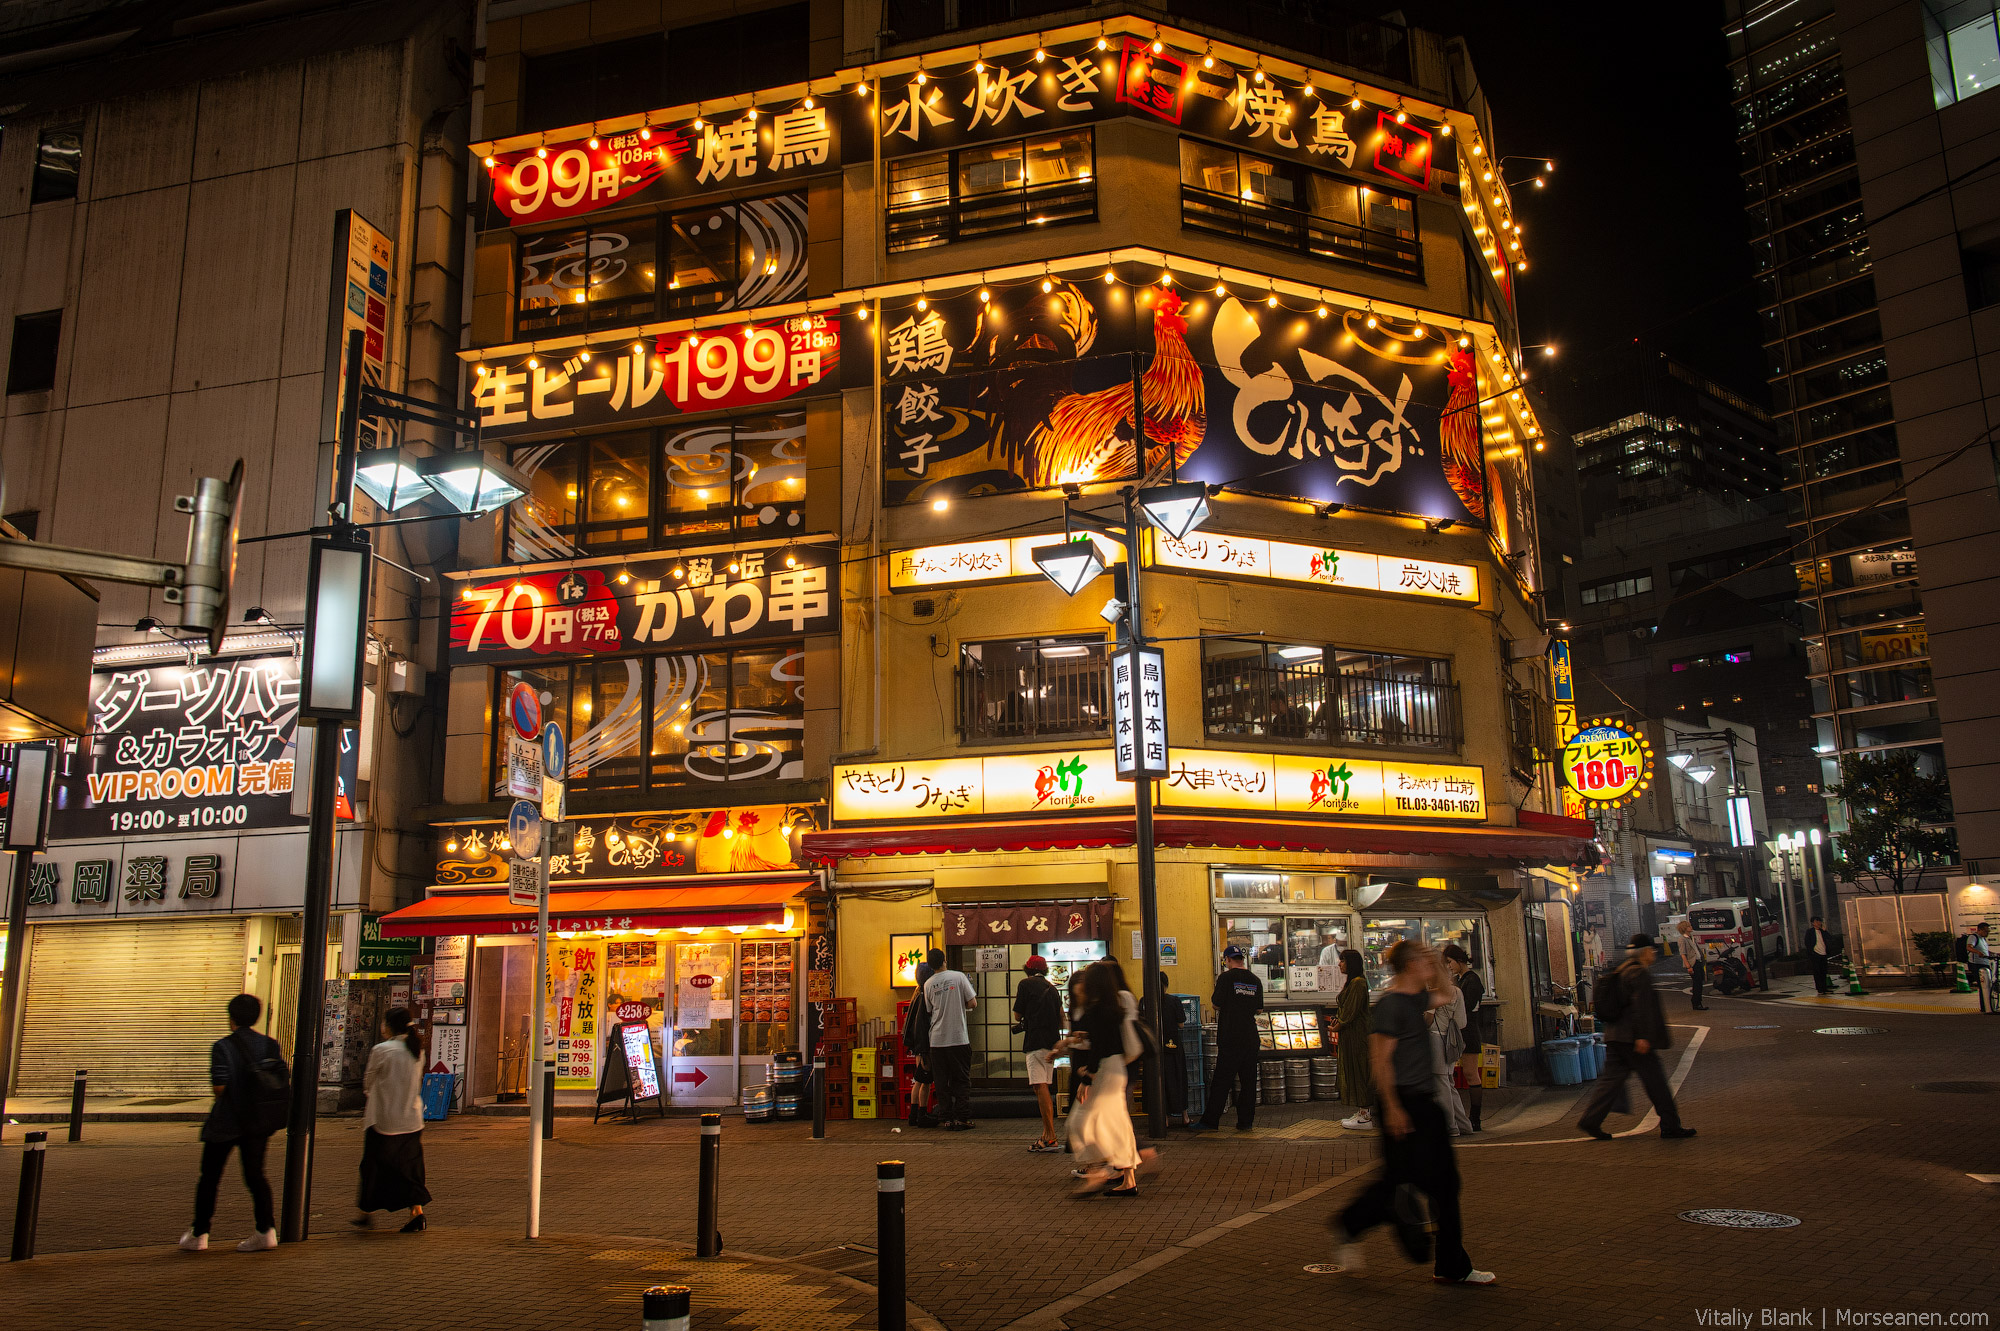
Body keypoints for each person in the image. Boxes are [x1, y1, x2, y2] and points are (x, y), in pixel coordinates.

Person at [1331, 940, 1493, 1285]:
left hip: (1424, 1101)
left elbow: (1448, 995)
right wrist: (1392, 1109)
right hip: (1402, 1103)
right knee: (1396, 1183)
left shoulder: (1415, 998)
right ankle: (1349, 1224)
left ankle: (1452, 1265)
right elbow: (1380, 1059)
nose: (1431, 965)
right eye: (1423, 960)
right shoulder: (1391, 1005)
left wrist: (1437, 966)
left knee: (1446, 1184)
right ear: (1409, 966)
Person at [180, 993, 283, 1253]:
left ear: (231, 1017)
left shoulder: (223, 1047)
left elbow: (219, 1086)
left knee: (210, 1178)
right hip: (258, 1122)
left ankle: (200, 1234)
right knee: (256, 1176)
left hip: (225, 1123)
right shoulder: (270, 1045)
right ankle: (266, 1231)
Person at [1578, 934, 1697, 1141]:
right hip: (1633, 1039)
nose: (1654, 954)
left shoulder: (1622, 970)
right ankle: (1670, 1125)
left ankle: (1591, 1120)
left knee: (1610, 1082)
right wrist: (1642, 1037)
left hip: (1614, 1036)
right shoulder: (1639, 973)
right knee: (1656, 1082)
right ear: (1646, 952)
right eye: (1652, 950)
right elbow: (1641, 1008)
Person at [1053, 960, 1145, 1196]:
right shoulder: (1115, 1005)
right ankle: (1128, 1179)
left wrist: (1087, 1077)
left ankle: (1096, 1172)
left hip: (1104, 1070)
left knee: (1079, 1121)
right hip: (1118, 1069)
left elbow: (1099, 1047)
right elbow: (1106, 1041)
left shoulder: (1096, 1009)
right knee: (1117, 1123)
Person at [354, 1008, 431, 1232]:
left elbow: (368, 1083)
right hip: (412, 1119)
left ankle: (365, 1212)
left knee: (373, 1167)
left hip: (383, 1120)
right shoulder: (416, 1050)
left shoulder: (382, 1050)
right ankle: (416, 1212)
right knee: (410, 1169)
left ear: (389, 1026)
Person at [1190, 945, 1262, 1132]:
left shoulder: (1226, 978)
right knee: (1248, 1083)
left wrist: (1231, 1005)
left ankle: (1210, 1122)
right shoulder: (1255, 980)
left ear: (1227, 960)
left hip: (1230, 1037)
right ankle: (1245, 1122)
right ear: (1242, 959)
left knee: (1222, 1082)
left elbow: (1215, 1004)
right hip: (1250, 1037)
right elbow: (1259, 1009)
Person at [1013, 955, 1065, 1151]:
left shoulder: (1025, 984)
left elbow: (1018, 1014)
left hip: (1035, 1041)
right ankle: (1047, 1134)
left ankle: (1050, 1136)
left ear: (1027, 969)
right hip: (1051, 1041)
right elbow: (1062, 1017)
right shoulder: (1052, 988)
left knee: (1040, 1087)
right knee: (1042, 1087)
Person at [922, 948, 977, 1131]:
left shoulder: (928, 984)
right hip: (958, 1037)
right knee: (961, 1080)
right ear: (944, 960)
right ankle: (962, 1118)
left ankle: (946, 1118)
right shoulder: (958, 977)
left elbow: (929, 1010)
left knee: (941, 1081)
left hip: (937, 1040)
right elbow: (972, 1003)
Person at [1441, 945, 1489, 1131]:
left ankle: (1475, 1117)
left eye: (1450, 962)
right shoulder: (1460, 980)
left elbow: (1465, 1007)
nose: (1449, 966)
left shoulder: (1472, 981)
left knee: (1470, 1073)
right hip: (1458, 1032)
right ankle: (1464, 1118)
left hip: (1468, 1032)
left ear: (1460, 961)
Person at [1427, 958, 1472, 1136]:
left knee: (1441, 1084)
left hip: (1436, 1039)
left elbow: (1428, 1020)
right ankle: (1464, 1125)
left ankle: (1450, 1126)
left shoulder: (1434, 994)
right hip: (1452, 1041)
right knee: (1449, 1082)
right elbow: (1462, 1022)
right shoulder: (1457, 992)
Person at [1334, 950, 1375, 1130]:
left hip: (1357, 1036)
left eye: (1342, 961)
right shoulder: (1353, 983)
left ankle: (1365, 1116)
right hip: (1351, 1035)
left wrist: (1339, 1024)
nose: (1339, 964)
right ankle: (1362, 1111)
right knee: (1355, 1071)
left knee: (1359, 1072)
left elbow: (1350, 1012)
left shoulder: (1358, 983)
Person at [1149, 970, 1189, 1127]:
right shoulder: (1174, 1001)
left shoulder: (1145, 1000)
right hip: (1173, 1046)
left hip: (1153, 1048)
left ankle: (1163, 1118)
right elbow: (1181, 1024)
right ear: (1166, 985)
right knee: (1178, 1080)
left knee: (1160, 1083)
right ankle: (1184, 1116)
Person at [903, 961, 938, 1127]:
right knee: (924, 1080)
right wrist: (923, 1050)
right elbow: (923, 1025)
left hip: (917, 1045)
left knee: (919, 1080)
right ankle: (921, 1115)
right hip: (923, 1046)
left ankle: (914, 1114)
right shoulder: (924, 996)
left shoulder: (916, 994)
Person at [1676, 918, 1709, 1010]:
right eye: (1689, 926)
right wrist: (1688, 966)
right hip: (1692, 963)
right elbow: (1683, 953)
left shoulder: (1691, 938)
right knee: (1697, 983)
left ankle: (1698, 1002)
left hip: (1698, 962)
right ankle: (1696, 1003)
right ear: (1685, 928)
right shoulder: (1682, 939)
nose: (1691, 927)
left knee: (1699, 982)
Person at [1802, 915, 1834, 996]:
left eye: (1819, 921)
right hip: (1815, 954)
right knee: (1817, 972)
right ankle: (1820, 989)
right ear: (1813, 923)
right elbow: (1807, 942)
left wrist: (1824, 930)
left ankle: (1824, 988)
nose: (1818, 923)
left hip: (1823, 953)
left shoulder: (1822, 931)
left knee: (1824, 972)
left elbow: (1830, 938)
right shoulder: (1810, 932)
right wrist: (1811, 952)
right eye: (1817, 921)